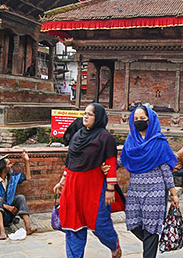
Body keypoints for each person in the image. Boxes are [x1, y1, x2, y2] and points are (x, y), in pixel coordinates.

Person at [53, 103, 124, 258]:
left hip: (95, 187)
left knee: (100, 224)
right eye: (84, 113)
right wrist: (62, 181)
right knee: (73, 226)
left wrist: (110, 189)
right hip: (73, 187)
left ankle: (113, 244)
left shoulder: (106, 138)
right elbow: (71, 162)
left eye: (90, 114)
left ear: (98, 117)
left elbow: (111, 163)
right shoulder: (77, 135)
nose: (85, 116)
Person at [118, 105, 179, 258]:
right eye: (136, 119)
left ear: (150, 120)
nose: (139, 121)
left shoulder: (159, 142)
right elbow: (122, 160)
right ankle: (152, 242)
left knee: (151, 227)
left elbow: (166, 170)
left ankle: (150, 249)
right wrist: (105, 164)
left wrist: (173, 194)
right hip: (135, 189)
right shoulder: (131, 139)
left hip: (155, 190)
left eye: (142, 118)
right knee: (133, 223)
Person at [0, 150, 38, 240]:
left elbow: (27, 177)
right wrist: (7, 207)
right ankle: (2, 232)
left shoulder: (12, 176)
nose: (11, 165)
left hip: (11, 214)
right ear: (2, 167)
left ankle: (28, 228)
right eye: (9, 164)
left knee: (21, 197)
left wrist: (26, 161)